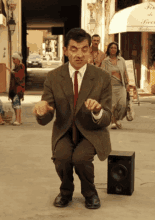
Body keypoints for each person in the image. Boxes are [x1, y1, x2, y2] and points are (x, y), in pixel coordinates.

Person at [33, 28, 112, 209]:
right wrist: (42, 111)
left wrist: (98, 110)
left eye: (84, 49)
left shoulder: (102, 78)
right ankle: (65, 191)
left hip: (91, 131)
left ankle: (90, 193)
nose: (79, 54)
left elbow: (108, 117)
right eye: (74, 49)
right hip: (64, 130)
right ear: (66, 51)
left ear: (90, 51)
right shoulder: (53, 77)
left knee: (81, 159)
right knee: (62, 158)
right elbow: (48, 114)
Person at [101, 42, 130, 129]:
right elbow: (102, 74)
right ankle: (113, 121)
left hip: (121, 85)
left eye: (115, 48)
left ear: (117, 50)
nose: (113, 49)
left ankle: (118, 119)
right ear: (109, 50)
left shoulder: (121, 60)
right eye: (111, 48)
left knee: (122, 104)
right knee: (112, 105)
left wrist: (127, 83)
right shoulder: (105, 61)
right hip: (111, 86)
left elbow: (125, 72)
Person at [8, 52, 25, 126]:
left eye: (14, 59)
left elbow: (20, 77)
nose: (13, 61)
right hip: (14, 89)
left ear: (18, 59)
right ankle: (17, 119)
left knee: (17, 104)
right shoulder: (16, 67)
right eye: (12, 59)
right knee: (15, 104)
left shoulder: (21, 66)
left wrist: (12, 72)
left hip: (18, 89)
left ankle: (18, 120)